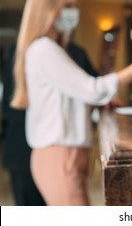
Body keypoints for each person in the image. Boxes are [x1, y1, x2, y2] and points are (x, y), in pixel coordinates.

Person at [10, 0, 132, 206]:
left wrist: (99, 103)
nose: (73, 12)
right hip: (59, 154)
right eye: (67, 6)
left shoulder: (50, 49)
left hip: (63, 153)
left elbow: (73, 96)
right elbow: (92, 89)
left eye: (73, 6)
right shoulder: (44, 49)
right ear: (48, 9)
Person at [1, 40, 99, 206]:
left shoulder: (76, 52)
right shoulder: (18, 51)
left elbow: (94, 88)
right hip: (23, 151)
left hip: (61, 150)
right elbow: (10, 105)